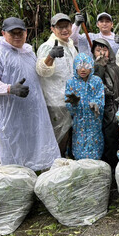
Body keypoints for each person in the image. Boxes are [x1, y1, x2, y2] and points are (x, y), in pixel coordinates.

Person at [0, 17, 60, 171]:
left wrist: (50, 57)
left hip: (33, 109)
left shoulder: (28, 52)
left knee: (35, 138)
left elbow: (38, 72)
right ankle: (16, 176)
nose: (17, 36)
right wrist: (9, 88)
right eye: (12, 33)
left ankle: (36, 169)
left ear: (26, 33)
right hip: (11, 111)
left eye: (20, 32)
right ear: (4, 33)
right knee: (15, 142)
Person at [36, 13, 79, 156]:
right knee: (59, 135)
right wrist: (51, 56)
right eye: (59, 27)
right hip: (55, 101)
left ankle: (66, 162)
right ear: (53, 29)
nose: (64, 30)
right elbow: (41, 71)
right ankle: (54, 165)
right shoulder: (47, 46)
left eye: (66, 26)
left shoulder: (70, 44)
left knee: (70, 133)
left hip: (72, 97)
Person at [91, 38, 119, 170]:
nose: (101, 53)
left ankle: (117, 166)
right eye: (98, 50)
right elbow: (95, 85)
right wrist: (99, 67)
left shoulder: (115, 68)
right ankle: (107, 168)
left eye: (104, 50)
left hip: (118, 107)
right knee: (106, 139)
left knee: (117, 138)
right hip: (102, 110)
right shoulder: (93, 68)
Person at [65, 53, 105, 160]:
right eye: (79, 66)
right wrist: (73, 104)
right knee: (79, 143)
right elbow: (68, 104)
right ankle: (80, 163)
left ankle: (95, 165)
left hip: (94, 121)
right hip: (79, 122)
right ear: (75, 67)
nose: (83, 69)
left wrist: (95, 104)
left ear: (91, 66)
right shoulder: (71, 83)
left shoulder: (97, 81)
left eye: (86, 66)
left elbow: (100, 98)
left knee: (95, 142)